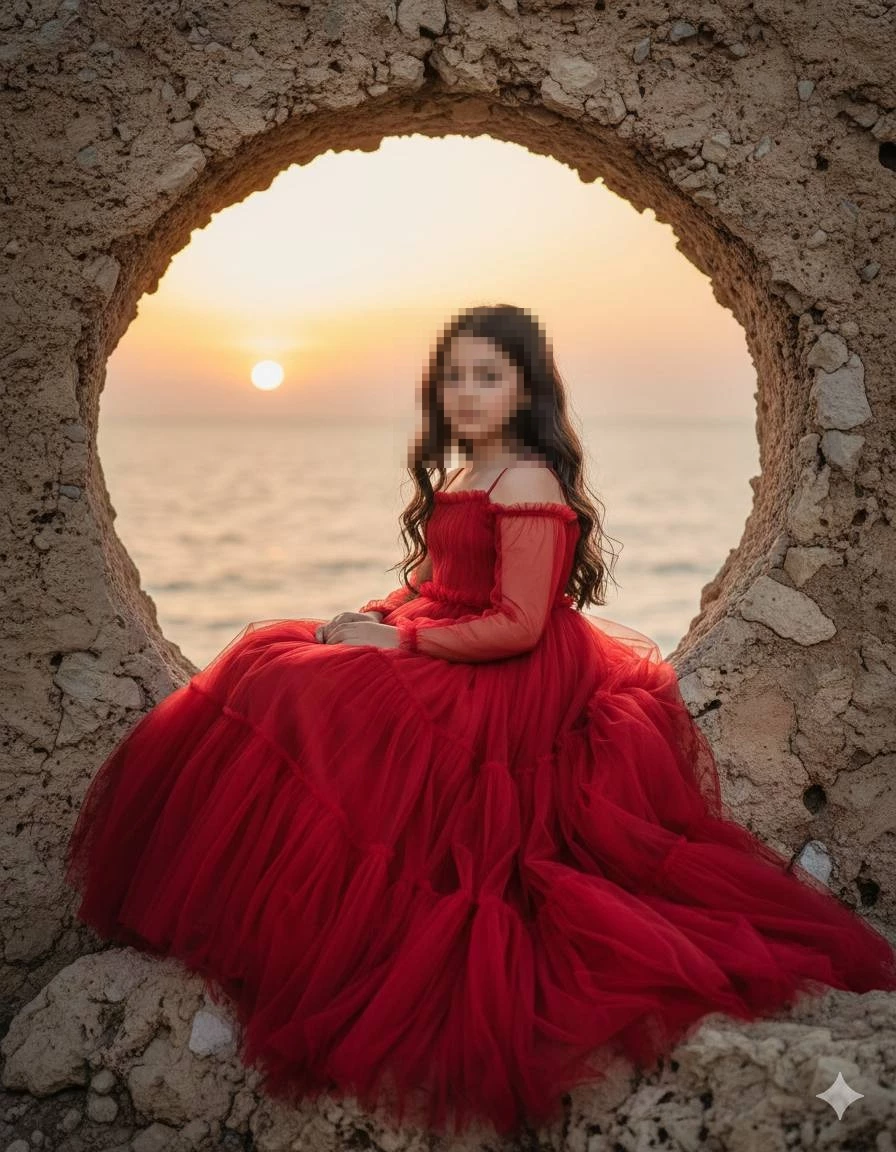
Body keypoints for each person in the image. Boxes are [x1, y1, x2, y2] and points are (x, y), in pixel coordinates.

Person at [64, 303, 896, 1138]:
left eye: (487, 375)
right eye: (454, 375)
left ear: (526, 388)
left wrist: (397, 644)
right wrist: (372, 618)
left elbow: (517, 626)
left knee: (294, 691)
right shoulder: (466, 473)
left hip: (502, 679)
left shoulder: (528, 479)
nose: (466, 391)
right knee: (270, 659)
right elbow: (436, 582)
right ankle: (240, 912)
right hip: (444, 642)